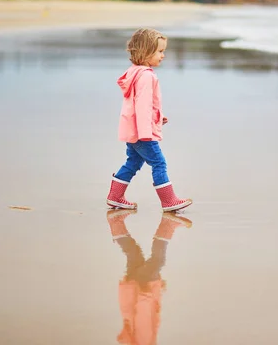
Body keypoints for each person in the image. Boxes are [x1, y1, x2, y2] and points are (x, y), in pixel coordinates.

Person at [107, 28, 192, 213]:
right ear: (146, 51)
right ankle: (169, 201)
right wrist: (146, 134)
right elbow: (143, 107)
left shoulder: (135, 72)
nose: (163, 55)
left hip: (133, 129)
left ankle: (115, 196)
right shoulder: (146, 76)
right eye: (160, 51)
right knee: (159, 163)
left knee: (133, 162)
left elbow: (140, 105)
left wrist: (158, 117)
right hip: (142, 133)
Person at [106, 208, 192, 345]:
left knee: (157, 260)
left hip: (142, 288)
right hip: (134, 287)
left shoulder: (144, 341)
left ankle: (167, 226)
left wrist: (146, 294)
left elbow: (143, 317)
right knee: (134, 255)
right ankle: (116, 228)